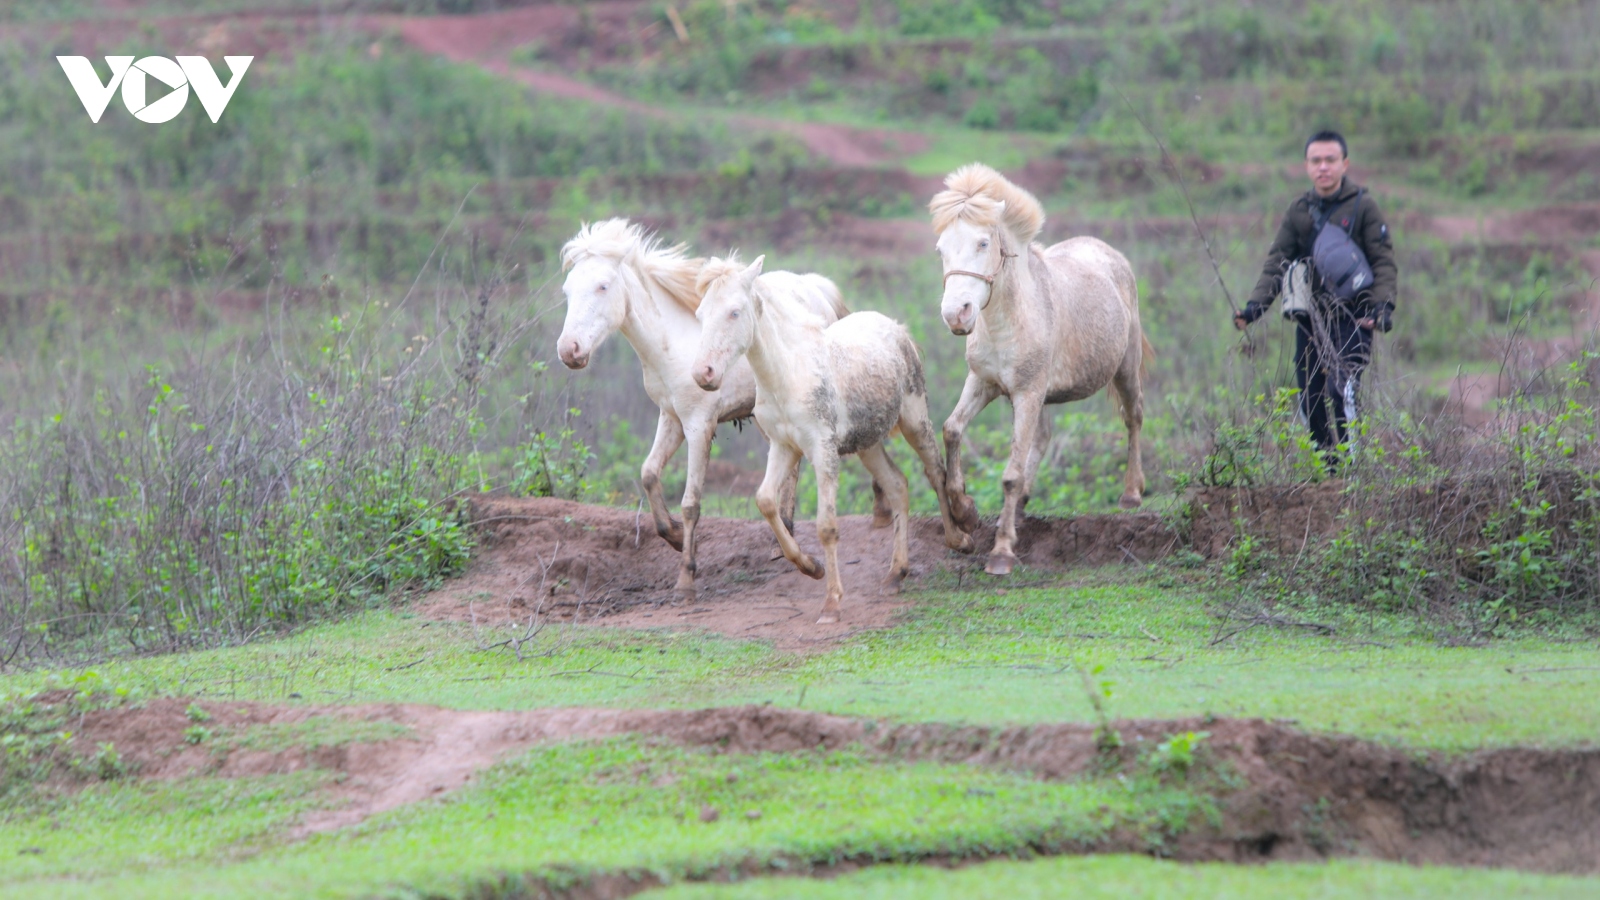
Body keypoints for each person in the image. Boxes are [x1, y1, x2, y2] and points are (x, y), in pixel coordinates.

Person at [1234, 130, 1398, 463]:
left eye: (1330, 160)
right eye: (1316, 161)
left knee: (1343, 391)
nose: (1323, 167)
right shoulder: (1299, 211)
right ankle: (1328, 470)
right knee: (1309, 398)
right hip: (1310, 320)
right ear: (1307, 166)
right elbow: (1276, 263)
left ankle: (1355, 470)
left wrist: (1381, 309)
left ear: (1345, 163)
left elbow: (1383, 260)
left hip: (1354, 316)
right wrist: (1254, 308)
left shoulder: (1363, 206)